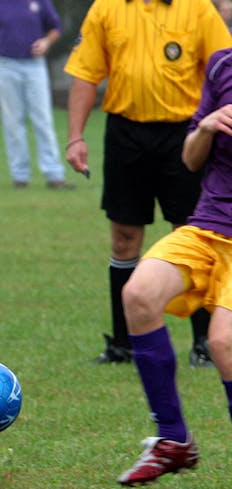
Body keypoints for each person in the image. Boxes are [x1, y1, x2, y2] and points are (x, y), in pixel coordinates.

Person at [63, 0, 232, 366]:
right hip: (126, 133)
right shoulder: (106, 9)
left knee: (194, 233)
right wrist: (75, 137)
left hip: (186, 134)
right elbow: (85, 74)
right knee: (124, 238)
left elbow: (224, 67)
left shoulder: (198, 8)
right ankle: (123, 344)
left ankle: (204, 342)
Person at [116, 47, 232, 486]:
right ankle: (173, 440)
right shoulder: (222, 64)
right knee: (138, 294)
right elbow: (189, 159)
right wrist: (206, 124)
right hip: (207, 227)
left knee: (223, 342)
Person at [0, 0, 71, 190]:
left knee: (43, 119)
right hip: (6, 64)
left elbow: (55, 28)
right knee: (12, 122)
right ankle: (19, 176)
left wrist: (46, 41)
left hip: (35, 66)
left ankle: (54, 175)